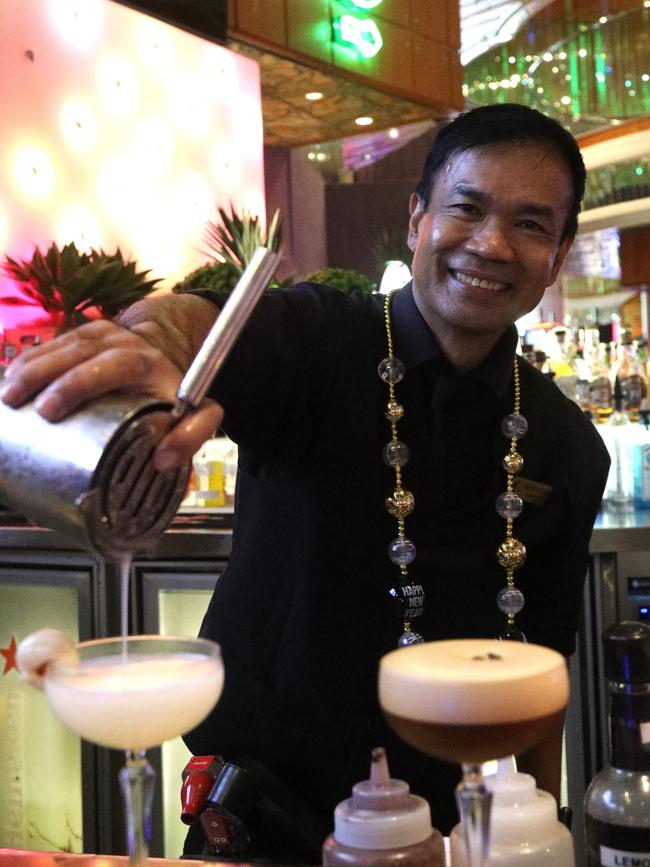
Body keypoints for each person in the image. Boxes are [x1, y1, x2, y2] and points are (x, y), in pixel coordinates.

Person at [0, 103, 609, 858]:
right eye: (467, 208)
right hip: (258, 829)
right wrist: (154, 340)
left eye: (528, 224)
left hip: (454, 838)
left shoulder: (567, 443)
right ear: (418, 219)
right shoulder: (318, 338)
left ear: (557, 255)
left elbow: (545, 680)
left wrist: (539, 836)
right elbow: (201, 323)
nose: (490, 244)